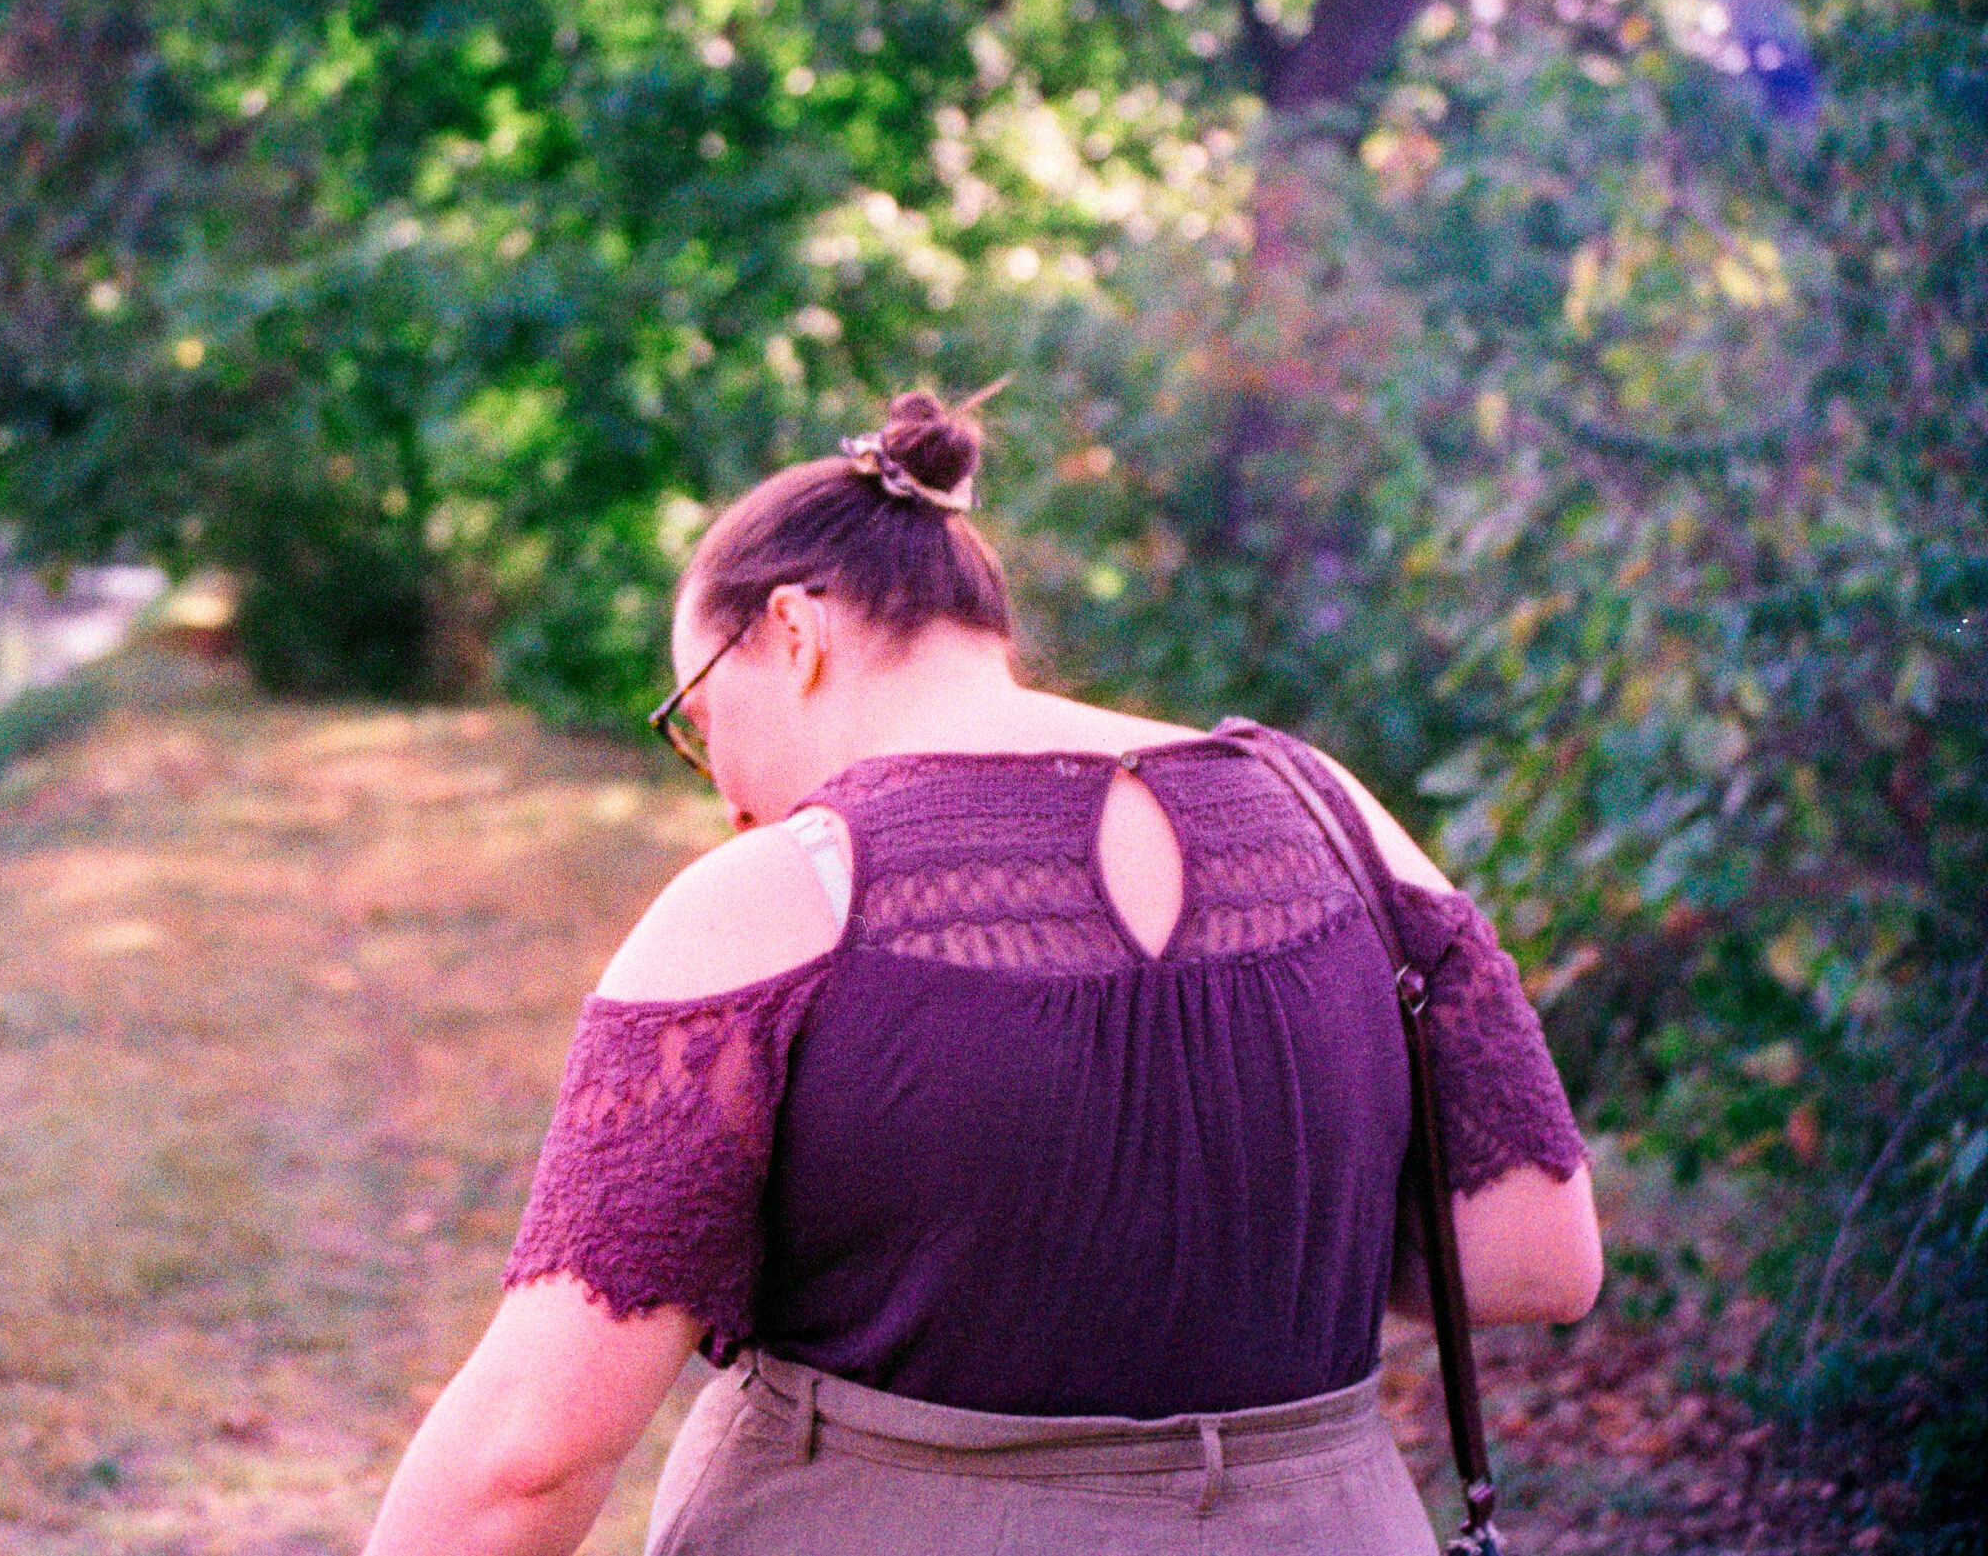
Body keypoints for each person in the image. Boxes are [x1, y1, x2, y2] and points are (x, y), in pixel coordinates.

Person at [361, 389, 1602, 1556]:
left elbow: (526, 1456)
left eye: (697, 718)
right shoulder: (1333, 814)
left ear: (791, 632)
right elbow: (1536, 1254)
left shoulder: (775, 897)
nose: (724, 792)